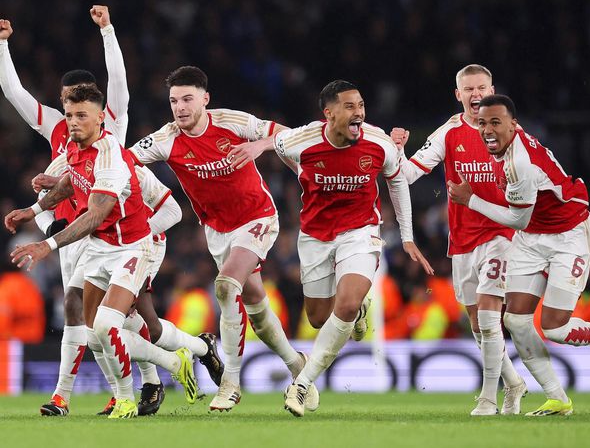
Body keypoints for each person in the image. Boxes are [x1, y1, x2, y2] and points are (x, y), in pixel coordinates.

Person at [231, 79, 433, 417]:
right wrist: (258, 148)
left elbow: (396, 180)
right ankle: (357, 311)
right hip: (315, 236)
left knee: (347, 303)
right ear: (329, 113)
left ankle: (302, 383)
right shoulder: (303, 140)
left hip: (360, 232)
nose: (359, 113)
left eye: (361, 106)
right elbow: (278, 143)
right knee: (318, 317)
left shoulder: (378, 142)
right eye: (350, 107)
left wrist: (408, 236)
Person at [0, 6, 166, 416]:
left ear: (97, 106)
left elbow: (120, 83)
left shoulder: (111, 124)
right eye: (67, 102)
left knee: (122, 319)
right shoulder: (57, 126)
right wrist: (2, 45)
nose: (73, 111)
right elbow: (14, 92)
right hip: (72, 230)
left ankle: (153, 376)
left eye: (81, 102)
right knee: (80, 312)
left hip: (116, 227)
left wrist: (108, 31)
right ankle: (68, 396)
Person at [129, 65, 318, 412]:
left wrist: (260, 146)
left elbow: (288, 135)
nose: (180, 107)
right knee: (255, 306)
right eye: (174, 101)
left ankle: (230, 383)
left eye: (187, 99)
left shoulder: (232, 122)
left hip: (257, 217)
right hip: (217, 230)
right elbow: (121, 161)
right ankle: (297, 365)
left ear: (205, 99)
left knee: (226, 286)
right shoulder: (166, 139)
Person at [4, 84, 198, 419]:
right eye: (69, 115)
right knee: (95, 335)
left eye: (81, 115)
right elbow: (71, 181)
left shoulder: (110, 156)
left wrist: (46, 244)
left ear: (100, 119)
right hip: (100, 248)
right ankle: (172, 361)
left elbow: (94, 215)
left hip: (132, 248)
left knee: (109, 324)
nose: (73, 122)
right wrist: (33, 211)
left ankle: (125, 398)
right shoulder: (76, 148)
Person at [448, 94, 590, 416]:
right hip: (533, 237)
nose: (487, 130)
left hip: (566, 237)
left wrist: (470, 201)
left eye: (495, 123)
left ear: (514, 125)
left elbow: (517, 219)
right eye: (482, 123)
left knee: (554, 327)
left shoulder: (519, 162)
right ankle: (558, 398)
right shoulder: (504, 146)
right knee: (515, 320)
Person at [37, 152, 223, 416]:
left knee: (123, 324)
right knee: (92, 320)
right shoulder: (69, 161)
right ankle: (188, 355)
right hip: (101, 247)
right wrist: (41, 216)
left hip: (141, 246)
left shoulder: (129, 165)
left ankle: (145, 384)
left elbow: (173, 211)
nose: (75, 133)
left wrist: (136, 235)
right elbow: (44, 201)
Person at [390, 64, 526, 416]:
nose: (476, 94)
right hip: (463, 240)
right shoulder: (449, 132)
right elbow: (408, 174)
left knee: (489, 318)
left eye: (481, 87)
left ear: (492, 90)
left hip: (503, 234)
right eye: (469, 89)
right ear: (458, 94)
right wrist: (398, 150)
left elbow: (540, 174)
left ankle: (488, 399)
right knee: (478, 326)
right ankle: (514, 382)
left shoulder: (512, 131)